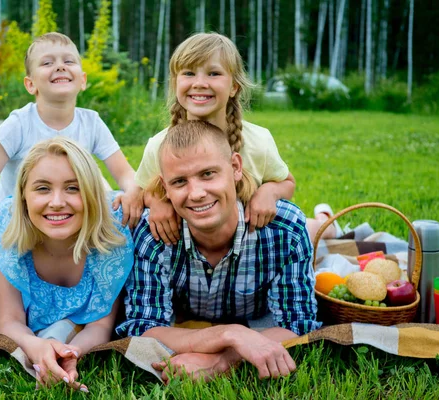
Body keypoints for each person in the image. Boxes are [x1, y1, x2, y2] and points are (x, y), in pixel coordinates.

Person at [0, 32, 141, 292]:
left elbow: (125, 173)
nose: (60, 66)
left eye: (68, 61)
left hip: (70, 227)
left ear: (82, 80)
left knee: (120, 229)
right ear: (30, 84)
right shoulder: (19, 124)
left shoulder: (91, 122)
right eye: (47, 63)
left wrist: (132, 192)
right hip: (18, 232)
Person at [116, 121, 320, 382]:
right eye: (179, 182)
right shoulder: (154, 233)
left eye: (208, 174)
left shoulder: (285, 230)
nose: (197, 193)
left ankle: (325, 220)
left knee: (315, 230)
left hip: (278, 236)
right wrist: (230, 334)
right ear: (164, 188)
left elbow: (298, 324)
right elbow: (143, 327)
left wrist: (222, 359)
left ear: (235, 167)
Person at [133, 32, 337, 246]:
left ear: (234, 87)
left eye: (213, 73)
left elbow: (287, 183)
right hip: (193, 248)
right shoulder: (160, 146)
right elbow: (139, 192)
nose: (200, 83)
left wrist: (268, 192)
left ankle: (326, 221)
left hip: (252, 239)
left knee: (312, 231)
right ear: (175, 84)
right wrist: (156, 202)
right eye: (189, 73)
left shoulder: (258, 141)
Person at [0, 137, 134, 392]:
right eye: (42, 189)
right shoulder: (7, 231)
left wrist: (71, 352)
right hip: (10, 238)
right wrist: (37, 347)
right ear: (23, 196)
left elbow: (100, 325)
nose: (56, 201)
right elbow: (9, 321)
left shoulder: (113, 237)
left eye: (73, 188)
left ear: (92, 195)